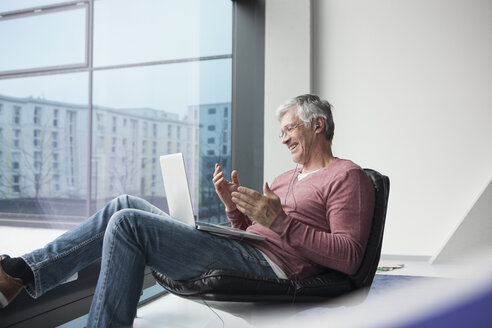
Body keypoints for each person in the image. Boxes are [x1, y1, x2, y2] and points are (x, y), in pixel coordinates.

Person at [0, 94, 375, 327]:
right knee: (123, 204)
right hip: (247, 249)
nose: (283, 139)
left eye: (290, 129)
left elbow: (349, 257)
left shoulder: (347, 176)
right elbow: (255, 230)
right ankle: (20, 274)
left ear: (318, 125)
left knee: (129, 224)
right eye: (280, 132)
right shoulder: (282, 177)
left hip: (271, 269)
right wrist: (233, 209)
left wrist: (279, 220)